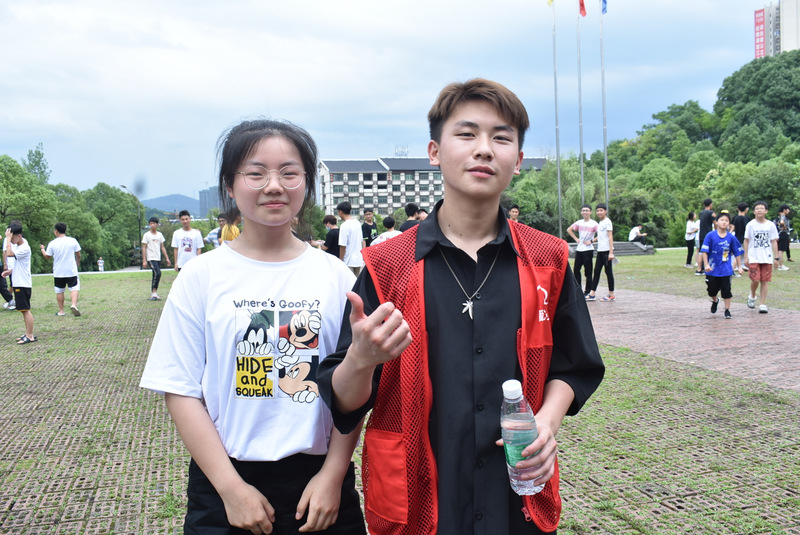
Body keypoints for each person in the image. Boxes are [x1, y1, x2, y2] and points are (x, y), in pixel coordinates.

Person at [318, 78, 604, 535]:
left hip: (517, 494)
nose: (484, 149)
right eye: (467, 134)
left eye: (501, 138)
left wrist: (546, 423)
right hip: (419, 498)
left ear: (518, 160)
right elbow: (345, 401)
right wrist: (361, 359)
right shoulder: (387, 265)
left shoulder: (547, 259)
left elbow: (575, 366)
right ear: (434, 152)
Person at [139, 119, 366, 535]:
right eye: (256, 173)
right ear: (229, 184)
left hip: (319, 484)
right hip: (224, 484)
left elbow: (352, 391)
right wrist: (230, 489)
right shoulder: (201, 276)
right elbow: (180, 389)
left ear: (306, 183)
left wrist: (333, 476)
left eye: (289, 173)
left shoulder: (335, 277)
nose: (273, 186)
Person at [700, 212, 744, 319]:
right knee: (711, 291)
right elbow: (704, 251)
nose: (724, 222)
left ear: (729, 224)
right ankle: (715, 300)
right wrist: (706, 264)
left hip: (726, 270)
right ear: (717, 222)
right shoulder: (710, 235)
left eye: (726, 221)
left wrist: (739, 266)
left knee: (726, 291)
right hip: (712, 269)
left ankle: (727, 310)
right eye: (722, 220)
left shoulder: (731, 237)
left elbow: (737, 253)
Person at [743, 201, 780, 314]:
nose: (759, 210)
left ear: (766, 211)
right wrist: (746, 256)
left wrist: (776, 258)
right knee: (755, 279)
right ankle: (752, 295)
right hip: (753, 256)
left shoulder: (771, 225)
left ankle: (762, 304)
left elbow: (774, 241)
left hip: (766, 257)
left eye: (762, 208)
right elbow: (746, 240)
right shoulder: (750, 225)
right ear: (754, 211)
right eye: (757, 208)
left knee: (764, 280)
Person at [39, 222, 82, 317]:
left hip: (58, 271)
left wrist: (42, 249)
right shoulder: (72, 241)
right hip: (71, 270)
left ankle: (61, 311)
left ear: (56, 231)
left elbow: (47, 256)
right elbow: (78, 254)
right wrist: (77, 263)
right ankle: (74, 305)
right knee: (74, 288)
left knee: (59, 291)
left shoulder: (52, 243)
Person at [3, 223, 35, 344]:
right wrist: (10, 271)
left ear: (19, 236)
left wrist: (7, 239)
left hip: (22, 283)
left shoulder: (24, 247)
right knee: (23, 309)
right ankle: (27, 333)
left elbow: (9, 253)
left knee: (25, 310)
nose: (11, 241)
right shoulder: (20, 244)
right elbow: (20, 264)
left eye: (12, 238)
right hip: (19, 282)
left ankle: (30, 335)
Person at [567, 204, 598, 298]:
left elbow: (602, 233)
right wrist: (576, 239)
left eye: (587, 210)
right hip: (579, 249)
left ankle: (588, 291)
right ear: (581, 212)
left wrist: (592, 241)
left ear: (590, 212)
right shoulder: (579, 222)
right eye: (583, 210)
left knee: (588, 272)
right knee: (576, 269)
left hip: (588, 250)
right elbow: (569, 230)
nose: (585, 212)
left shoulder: (594, 224)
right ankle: (578, 290)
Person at [588, 203, 615, 301]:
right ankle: (592, 293)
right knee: (596, 271)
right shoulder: (600, 222)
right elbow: (601, 236)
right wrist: (592, 241)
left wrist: (611, 252)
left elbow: (610, 237)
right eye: (598, 210)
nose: (599, 212)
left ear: (605, 211)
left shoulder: (608, 222)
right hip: (600, 250)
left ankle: (611, 295)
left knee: (608, 272)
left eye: (601, 210)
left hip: (607, 251)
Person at [142, 216, 172, 300]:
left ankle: (154, 293)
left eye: (154, 223)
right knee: (158, 273)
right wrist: (144, 260)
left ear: (157, 224)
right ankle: (154, 293)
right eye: (151, 223)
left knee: (155, 274)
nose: (153, 225)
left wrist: (167, 258)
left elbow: (162, 247)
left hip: (158, 257)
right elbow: (144, 247)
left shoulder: (159, 235)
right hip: (151, 258)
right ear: (149, 224)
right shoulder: (146, 235)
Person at [336, 201, 364, 276]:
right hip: (358, 259)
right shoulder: (357, 223)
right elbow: (361, 240)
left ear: (340, 212)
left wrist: (341, 260)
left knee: (348, 282)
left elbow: (343, 245)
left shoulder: (344, 225)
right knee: (356, 281)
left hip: (348, 261)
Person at [696, 198, 716, 275]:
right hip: (708, 234)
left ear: (704, 205)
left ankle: (699, 268)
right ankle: (707, 266)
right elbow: (715, 223)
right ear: (711, 204)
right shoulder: (711, 213)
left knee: (701, 251)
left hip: (701, 234)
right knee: (708, 251)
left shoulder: (701, 213)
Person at [1, 225, 14, 310]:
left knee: (3, 285)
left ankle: (10, 301)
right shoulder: (6, 240)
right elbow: (5, 252)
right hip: (9, 264)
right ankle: (10, 301)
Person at [775, 204, 792, 269]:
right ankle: (781, 265)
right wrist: (784, 227)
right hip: (783, 234)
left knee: (780, 249)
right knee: (781, 250)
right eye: (788, 209)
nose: (789, 211)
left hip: (781, 234)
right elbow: (782, 222)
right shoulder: (783, 216)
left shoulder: (780, 217)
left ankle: (780, 265)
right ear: (784, 210)